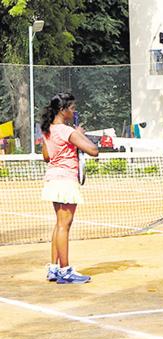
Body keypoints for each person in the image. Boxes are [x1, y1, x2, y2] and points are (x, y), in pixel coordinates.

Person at [40, 93, 98, 284]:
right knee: (64, 226)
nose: (74, 112)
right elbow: (93, 151)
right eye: (72, 109)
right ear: (63, 110)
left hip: (53, 179)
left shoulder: (48, 129)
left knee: (59, 224)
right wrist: (78, 133)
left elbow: (47, 156)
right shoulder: (66, 130)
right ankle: (65, 271)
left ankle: (54, 268)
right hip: (65, 180)